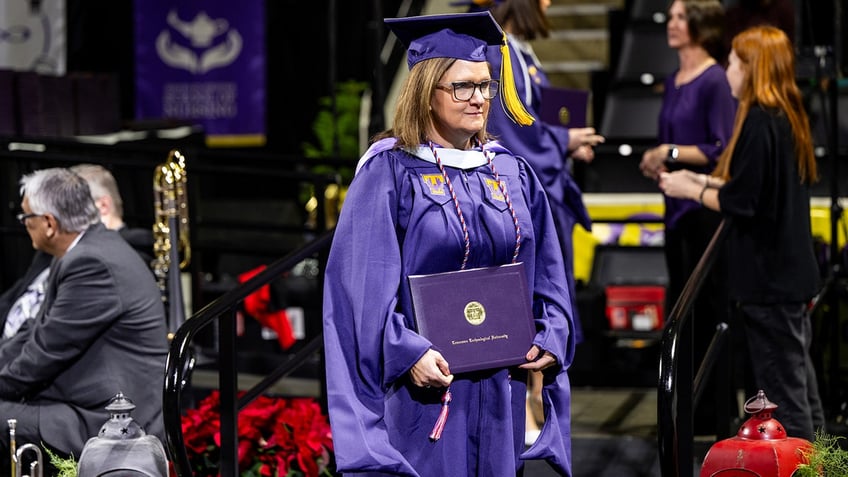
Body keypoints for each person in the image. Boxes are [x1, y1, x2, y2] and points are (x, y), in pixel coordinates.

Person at [322, 11, 576, 477]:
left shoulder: (510, 172)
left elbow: (549, 275)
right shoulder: (389, 174)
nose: (479, 99)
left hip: (501, 386)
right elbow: (358, 294)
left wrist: (553, 334)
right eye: (463, 87)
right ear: (426, 91)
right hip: (423, 394)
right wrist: (406, 351)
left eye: (485, 85)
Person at [659, 25, 824, 441]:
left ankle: (805, 468)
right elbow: (754, 188)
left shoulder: (759, 121)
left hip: (770, 281)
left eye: (733, 62)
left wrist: (691, 189)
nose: (727, 69)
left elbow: (743, 202)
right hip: (786, 277)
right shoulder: (784, 114)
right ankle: (820, 464)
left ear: (752, 69)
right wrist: (704, 183)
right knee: (799, 385)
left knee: (786, 396)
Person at [477, 0, 604, 444]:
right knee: (528, 293)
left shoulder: (520, 50)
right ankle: (527, 402)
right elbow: (514, 131)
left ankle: (539, 399)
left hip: (544, 188)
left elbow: (537, 122)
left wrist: (567, 143)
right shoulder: (496, 51)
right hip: (522, 193)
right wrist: (563, 140)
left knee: (548, 294)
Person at [0, 168, 168, 463]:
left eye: (27, 218)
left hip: (109, 419)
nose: (25, 225)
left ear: (49, 223)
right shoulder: (85, 249)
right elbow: (34, 332)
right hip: (85, 402)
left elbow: (46, 352)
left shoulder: (92, 262)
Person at [637, 0, 736, 435]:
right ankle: (688, 416)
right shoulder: (673, 80)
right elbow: (669, 145)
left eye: (680, 16)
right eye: (671, 16)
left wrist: (670, 153)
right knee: (682, 313)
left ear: (700, 23)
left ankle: (718, 417)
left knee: (709, 309)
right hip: (675, 211)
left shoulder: (715, 79)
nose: (670, 24)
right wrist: (657, 160)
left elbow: (721, 148)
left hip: (705, 210)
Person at [0, 164, 154, 339]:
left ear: (102, 205)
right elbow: (17, 296)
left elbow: (56, 338)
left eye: (72, 203)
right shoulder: (54, 248)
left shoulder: (117, 254)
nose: (62, 214)